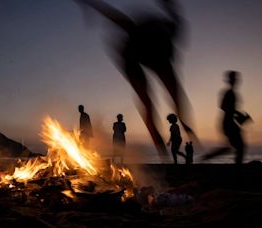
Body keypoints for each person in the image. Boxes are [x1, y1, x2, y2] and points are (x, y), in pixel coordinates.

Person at [75, 0, 199, 159]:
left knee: (173, 98)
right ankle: (161, 148)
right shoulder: (140, 35)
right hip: (131, 56)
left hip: (153, 49)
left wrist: (185, 122)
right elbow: (117, 17)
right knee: (148, 104)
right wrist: (93, 5)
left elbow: (176, 95)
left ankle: (179, 132)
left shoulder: (165, 51)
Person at [220, 70, 249, 164]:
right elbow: (223, 106)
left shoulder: (232, 93)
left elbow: (227, 108)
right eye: (235, 79)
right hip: (228, 123)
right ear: (231, 80)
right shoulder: (229, 93)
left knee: (239, 147)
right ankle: (237, 171)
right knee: (240, 147)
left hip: (230, 123)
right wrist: (239, 114)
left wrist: (238, 114)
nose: (237, 81)